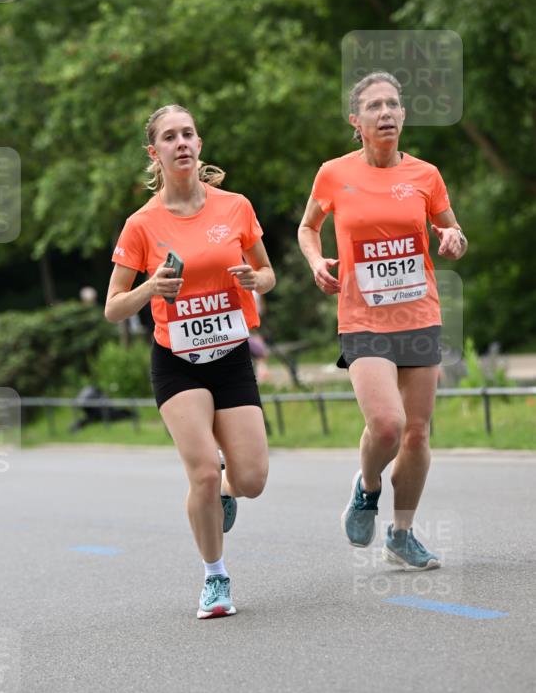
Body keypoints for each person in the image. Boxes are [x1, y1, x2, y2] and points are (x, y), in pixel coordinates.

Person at [105, 104, 275, 617]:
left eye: (188, 134)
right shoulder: (142, 224)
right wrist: (151, 287)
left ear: (199, 146)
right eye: (169, 137)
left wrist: (253, 279)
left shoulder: (235, 207)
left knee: (251, 481)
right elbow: (113, 306)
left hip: (230, 356)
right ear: (154, 153)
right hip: (177, 359)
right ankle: (215, 578)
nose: (181, 143)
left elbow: (267, 274)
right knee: (200, 470)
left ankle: (226, 488)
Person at [298, 71, 467, 570]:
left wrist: (454, 238)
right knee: (388, 426)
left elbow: (450, 227)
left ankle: (402, 533)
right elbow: (309, 227)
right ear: (357, 121)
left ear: (404, 116)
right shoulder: (333, 173)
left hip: (419, 314)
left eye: (393, 104)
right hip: (362, 318)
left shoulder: (425, 175)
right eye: (374, 106)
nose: (386, 113)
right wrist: (315, 261)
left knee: (417, 434)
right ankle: (368, 487)